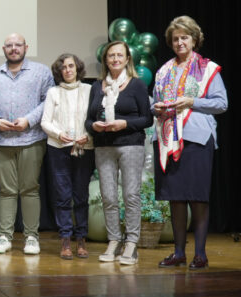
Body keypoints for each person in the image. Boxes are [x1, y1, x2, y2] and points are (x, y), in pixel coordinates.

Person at [154, 16, 227, 270]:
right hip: (167, 140)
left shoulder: (208, 68)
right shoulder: (163, 71)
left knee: (197, 198)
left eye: (184, 37)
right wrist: (157, 108)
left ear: (194, 39)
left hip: (196, 139)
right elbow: (156, 102)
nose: (179, 42)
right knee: (175, 198)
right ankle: (178, 253)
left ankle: (200, 254)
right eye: (175, 38)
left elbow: (221, 104)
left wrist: (191, 102)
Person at [85, 41, 153, 265]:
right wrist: (94, 126)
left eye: (119, 55)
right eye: (111, 56)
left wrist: (124, 124)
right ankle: (114, 240)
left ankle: (132, 244)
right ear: (105, 60)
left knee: (131, 195)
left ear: (127, 59)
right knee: (108, 196)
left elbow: (147, 119)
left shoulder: (137, 85)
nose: (115, 59)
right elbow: (88, 120)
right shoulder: (97, 87)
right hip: (104, 146)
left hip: (130, 145)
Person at [0, 33, 54, 255]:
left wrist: (29, 120)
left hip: (31, 139)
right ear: (3, 49)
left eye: (18, 45)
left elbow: (50, 101)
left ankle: (31, 237)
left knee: (29, 189)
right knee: (6, 190)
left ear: (26, 47)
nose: (13, 48)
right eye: (9, 45)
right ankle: (4, 236)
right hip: (1, 140)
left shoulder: (42, 72)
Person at [41, 54, 94, 260]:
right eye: (63, 67)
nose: (68, 70)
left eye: (71, 66)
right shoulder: (53, 92)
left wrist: (87, 136)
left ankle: (81, 239)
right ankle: (65, 240)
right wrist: (58, 134)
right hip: (59, 148)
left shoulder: (90, 90)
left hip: (84, 148)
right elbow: (46, 122)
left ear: (77, 68)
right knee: (63, 196)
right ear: (59, 71)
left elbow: (95, 118)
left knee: (81, 196)